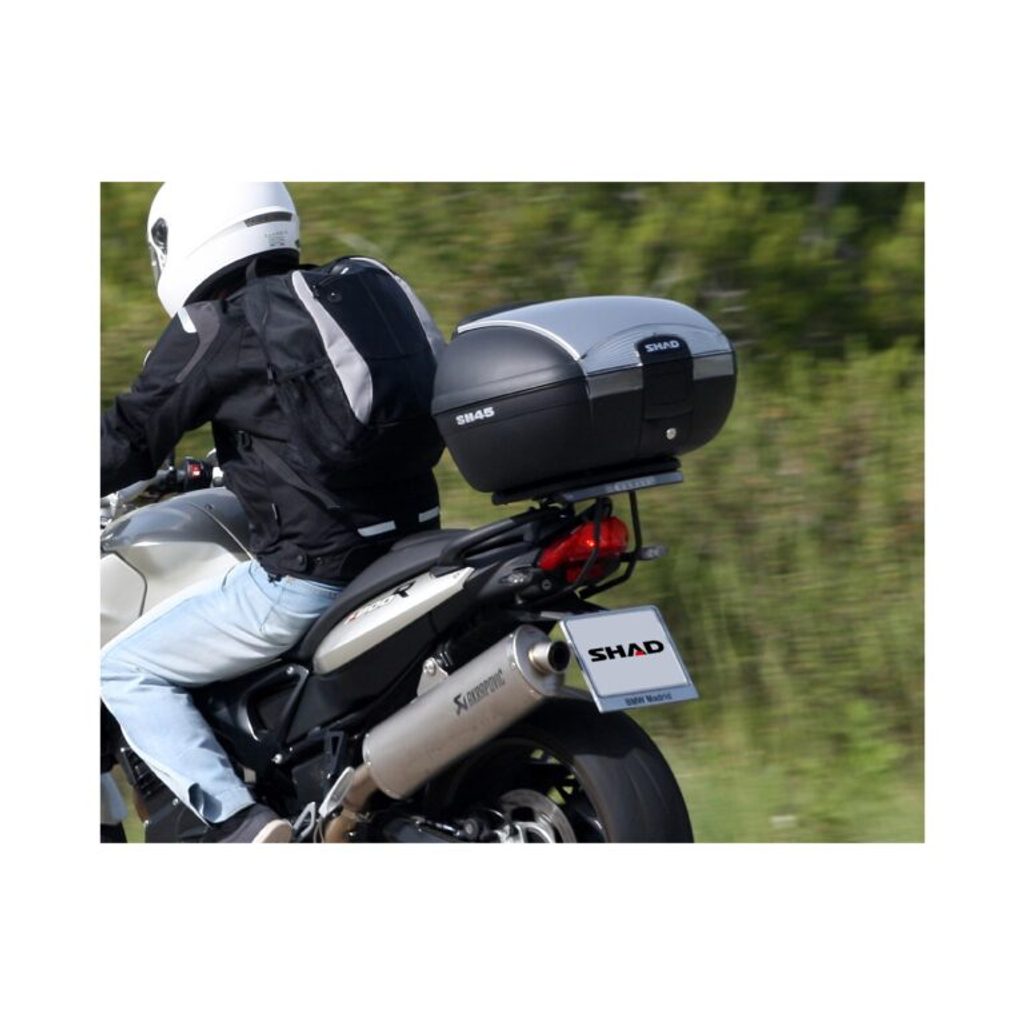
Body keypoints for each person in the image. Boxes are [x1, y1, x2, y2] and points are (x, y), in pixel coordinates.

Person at [100, 182, 445, 842]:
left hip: (314, 576)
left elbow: (131, 438)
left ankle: (238, 824)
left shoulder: (216, 324)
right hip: (414, 546)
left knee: (123, 668)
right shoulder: (340, 297)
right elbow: (287, 423)